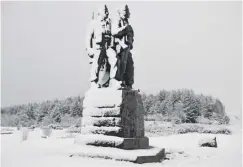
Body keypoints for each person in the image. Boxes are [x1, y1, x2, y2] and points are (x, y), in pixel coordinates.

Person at [112, 5, 134, 89]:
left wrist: (131, 42)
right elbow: (114, 32)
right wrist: (124, 28)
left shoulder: (126, 21)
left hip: (127, 48)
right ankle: (118, 81)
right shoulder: (117, 21)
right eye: (123, 11)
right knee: (121, 64)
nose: (125, 13)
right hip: (120, 46)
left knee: (130, 65)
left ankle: (129, 83)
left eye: (126, 11)